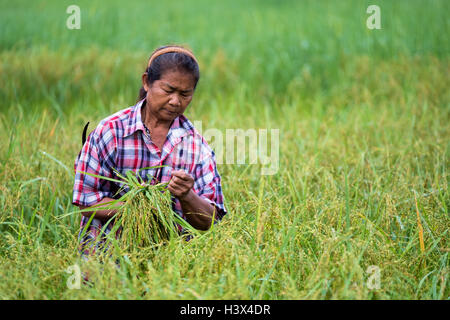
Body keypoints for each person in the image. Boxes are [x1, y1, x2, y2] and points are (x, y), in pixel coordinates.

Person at [72, 45, 227, 257]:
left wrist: (187, 195)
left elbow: (211, 220)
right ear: (147, 82)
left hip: (170, 265)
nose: (175, 101)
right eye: (168, 90)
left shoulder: (196, 146)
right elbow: (86, 200)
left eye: (185, 94)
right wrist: (139, 208)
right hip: (106, 257)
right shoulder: (110, 132)